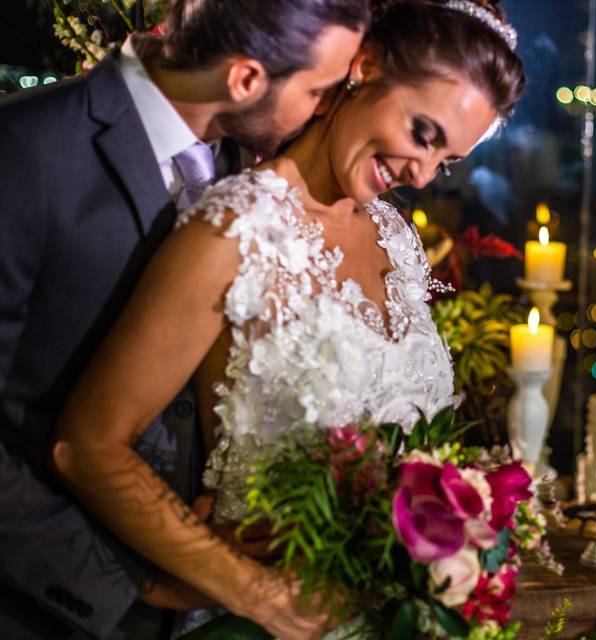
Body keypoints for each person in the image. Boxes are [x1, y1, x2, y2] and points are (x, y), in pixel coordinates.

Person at [52, 0, 525, 637]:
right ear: (366, 66)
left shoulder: (396, 237)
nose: (423, 172)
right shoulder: (234, 229)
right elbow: (88, 445)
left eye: (448, 161)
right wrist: (258, 593)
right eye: (424, 133)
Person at [0, 1, 367, 638]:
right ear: (247, 79)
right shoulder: (24, 149)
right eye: (319, 90)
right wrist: (133, 578)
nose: (323, 110)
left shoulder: (233, 162)